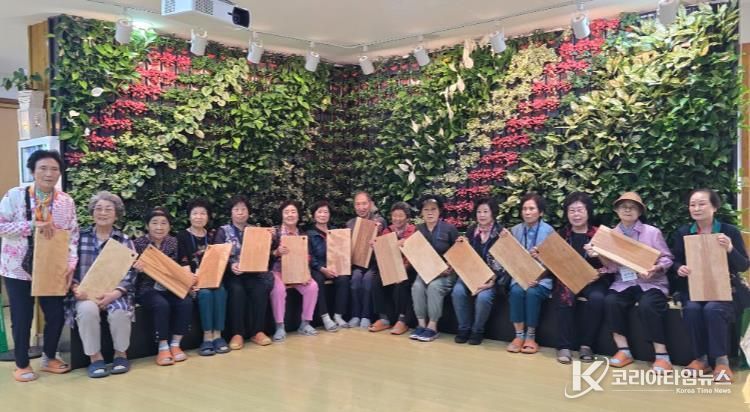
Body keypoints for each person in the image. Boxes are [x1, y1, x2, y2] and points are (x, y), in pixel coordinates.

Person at [0, 149, 79, 382]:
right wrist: (31, 225)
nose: (49, 173)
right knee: (22, 316)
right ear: (33, 171)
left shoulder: (66, 201)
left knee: (55, 315)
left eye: (54, 169)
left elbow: (72, 235)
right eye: (43, 168)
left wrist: (70, 264)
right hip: (17, 267)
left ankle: (49, 357)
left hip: (51, 267)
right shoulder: (14, 196)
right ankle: (22, 364)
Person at [671, 189, 749, 382]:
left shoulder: (729, 231)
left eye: (702, 204)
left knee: (713, 309)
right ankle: (701, 359)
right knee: (692, 309)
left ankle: (721, 361)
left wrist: (730, 248)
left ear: (714, 207)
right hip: (694, 289)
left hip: (726, 290)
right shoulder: (683, 232)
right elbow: (674, 261)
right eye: (692, 205)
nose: (696, 208)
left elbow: (743, 265)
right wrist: (679, 268)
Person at [591, 192, 674, 372]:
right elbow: (612, 268)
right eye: (623, 207)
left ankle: (662, 355)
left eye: (632, 207)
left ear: (640, 211)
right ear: (616, 210)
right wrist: (599, 255)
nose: (627, 210)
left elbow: (667, 258)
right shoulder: (610, 235)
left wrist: (656, 268)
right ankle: (623, 350)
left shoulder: (652, 232)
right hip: (624, 283)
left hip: (651, 282)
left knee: (648, 305)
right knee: (611, 301)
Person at [67, 191, 135, 378]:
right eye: (98, 209)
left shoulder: (124, 240)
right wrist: (74, 287)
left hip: (115, 293)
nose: (103, 213)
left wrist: (115, 293)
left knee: (120, 312)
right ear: (92, 212)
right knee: (87, 310)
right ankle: (95, 358)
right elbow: (69, 266)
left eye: (108, 209)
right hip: (85, 294)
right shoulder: (79, 237)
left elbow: (130, 272)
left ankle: (121, 355)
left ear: (116, 214)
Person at [553, 192, 612, 364]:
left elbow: (611, 265)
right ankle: (563, 346)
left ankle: (587, 345)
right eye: (572, 211)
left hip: (596, 279)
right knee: (564, 296)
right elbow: (554, 261)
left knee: (597, 299)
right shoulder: (562, 235)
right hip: (568, 278)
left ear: (588, 212)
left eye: (580, 210)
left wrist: (600, 271)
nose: (576, 215)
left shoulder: (599, 234)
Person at [133, 207, 194, 366]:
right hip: (147, 288)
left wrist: (189, 280)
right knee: (161, 304)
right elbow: (127, 270)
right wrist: (136, 268)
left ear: (169, 226)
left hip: (171, 287)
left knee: (186, 302)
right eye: (154, 223)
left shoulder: (174, 242)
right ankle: (163, 347)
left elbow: (183, 265)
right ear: (147, 225)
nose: (159, 227)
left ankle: (175, 344)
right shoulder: (137, 244)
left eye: (163, 223)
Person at [215, 195, 274, 349]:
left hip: (252, 273)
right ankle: (237, 333)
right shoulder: (223, 231)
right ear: (231, 212)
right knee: (237, 290)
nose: (240, 212)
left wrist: (270, 238)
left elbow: (264, 254)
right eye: (236, 209)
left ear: (248, 212)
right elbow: (218, 255)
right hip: (231, 274)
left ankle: (257, 331)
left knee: (260, 288)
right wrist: (231, 265)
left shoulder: (256, 231)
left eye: (243, 209)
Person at [177, 198, 230, 356]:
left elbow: (220, 258)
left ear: (208, 216)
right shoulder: (182, 236)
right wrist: (191, 282)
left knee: (220, 291)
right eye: (195, 213)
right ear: (189, 216)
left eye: (203, 213)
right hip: (194, 281)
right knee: (205, 294)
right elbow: (183, 262)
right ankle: (207, 336)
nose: (199, 217)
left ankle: (218, 335)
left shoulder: (213, 235)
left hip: (213, 278)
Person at [451, 198, 507, 345]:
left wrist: (493, 280)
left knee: (484, 297)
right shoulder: (472, 230)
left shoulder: (501, 233)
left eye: (485, 211)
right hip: (470, 274)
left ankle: (477, 330)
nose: (482, 215)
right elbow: (465, 255)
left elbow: (505, 261)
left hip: (491, 278)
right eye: (479, 212)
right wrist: (461, 245)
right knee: (457, 291)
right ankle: (463, 328)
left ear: (493, 213)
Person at [507, 192, 555, 354]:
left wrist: (539, 275)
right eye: (524, 209)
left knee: (533, 293)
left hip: (542, 278)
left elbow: (555, 262)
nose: (527, 212)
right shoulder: (515, 231)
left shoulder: (549, 232)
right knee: (516, 291)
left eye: (532, 209)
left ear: (540, 212)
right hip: (520, 276)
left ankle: (530, 336)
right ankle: (518, 335)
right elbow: (510, 258)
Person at [410, 194, 459, 342]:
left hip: (446, 273)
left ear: (439, 211)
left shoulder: (449, 229)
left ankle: (432, 326)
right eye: (426, 210)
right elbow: (415, 253)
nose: (430, 213)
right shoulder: (418, 230)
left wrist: (450, 266)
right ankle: (421, 324)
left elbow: (459, 252)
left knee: (434, 287)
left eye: (433, 209)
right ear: (421, 212)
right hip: (426, 272)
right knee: (417, 286)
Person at [270, 200, 320, 341]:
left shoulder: (302, 234)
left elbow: (308, 256)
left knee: (312, 287)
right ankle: (280, 326)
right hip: (277, 271)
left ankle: (305, 324)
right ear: (282, 215)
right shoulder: (274, 233)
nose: (290, 215)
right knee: (278, 289)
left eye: (293, 212)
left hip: (297, 271)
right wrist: (276, 252)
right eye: (286, 212)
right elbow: (265, 255)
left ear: (298, 215)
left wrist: (305, 272)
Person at [369, 202, 417, 335]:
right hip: (390, 268)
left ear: (407, 217)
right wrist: (375, 246)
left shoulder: (414, 231)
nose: (397, 219)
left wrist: (403, 269)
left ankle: (403, 320)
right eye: (394, 216)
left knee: (402, 282)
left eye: (401, 216)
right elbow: (383, 254)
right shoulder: (387, 231)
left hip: (409, 268)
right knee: (376, 281)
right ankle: (384, 318)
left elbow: (415, 253)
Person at [345, 191, 386, 328]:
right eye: (358, 204)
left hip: (375, 264)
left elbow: (383, 234)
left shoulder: (379, 221)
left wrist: (377, 228)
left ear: (370, 204)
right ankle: (356, 315)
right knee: (355, 279)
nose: (361, 207)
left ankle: (366, 316)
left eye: (364, 203)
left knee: (368, 280)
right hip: (357, 263)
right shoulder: (350, 224)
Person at [307, 200, 350, 331]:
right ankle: (325, 317)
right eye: (319, 212)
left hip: (333, 266)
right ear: (314, 215)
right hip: (317, 267)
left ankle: (338, 315)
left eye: (326, 212)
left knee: (343, 278)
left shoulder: (335, 232)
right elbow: (309, 256)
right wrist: (322, 269)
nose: (323, 215)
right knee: (318, 280)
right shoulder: (309, 233)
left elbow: (342, 251)